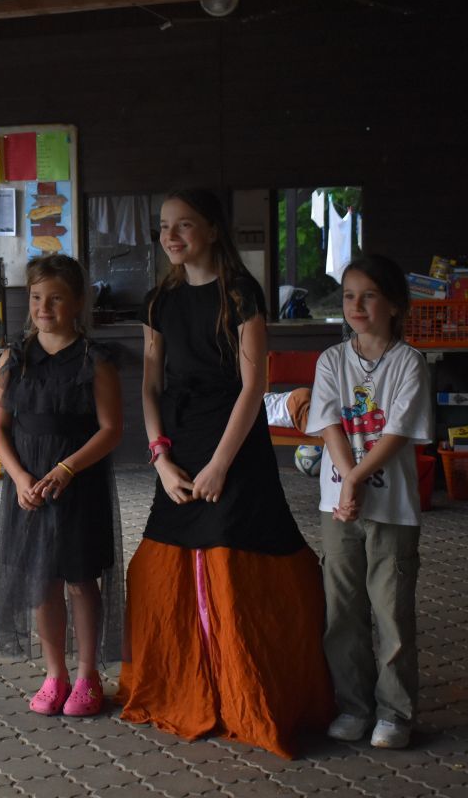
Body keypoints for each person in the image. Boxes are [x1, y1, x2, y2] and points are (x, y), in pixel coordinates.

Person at [116, 188, 334, 759]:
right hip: (178, 447)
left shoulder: (241, 292)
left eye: (184, 225)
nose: (170, 236)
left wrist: (220, 465)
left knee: (236, 568)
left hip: (235, 447)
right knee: (156, 569)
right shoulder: (159, 300)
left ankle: (248, 695)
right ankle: (189, 685)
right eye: (165, 226)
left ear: (213, 230)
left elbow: (254, 384)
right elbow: (149, 386)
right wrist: (160, 457)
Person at [0, 254, 124, 717]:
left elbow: (111, 429)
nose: (43, 308)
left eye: (56, 299)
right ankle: (54, 673)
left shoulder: (94, 360)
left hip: (77, 483)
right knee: (41, 579)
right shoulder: (13, 358)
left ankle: (87, 674)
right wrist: (19, 477)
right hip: (28, 485)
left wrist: (67, 469)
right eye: (36, 298)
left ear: (78, 302)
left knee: (81, 580)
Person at [307, 254, 432, 750]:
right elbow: (329, 424)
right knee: (342, 611)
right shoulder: (331, 361)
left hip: (392, 511)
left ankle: (395, 713)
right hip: (338, 510)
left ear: (395, 305)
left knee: (392, 612)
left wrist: (356, 478)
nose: (356, 305)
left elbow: (398, 432)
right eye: (348, 296)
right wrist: (347, 483)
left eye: (369, 295)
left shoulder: (410, 362)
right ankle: (353, 707)